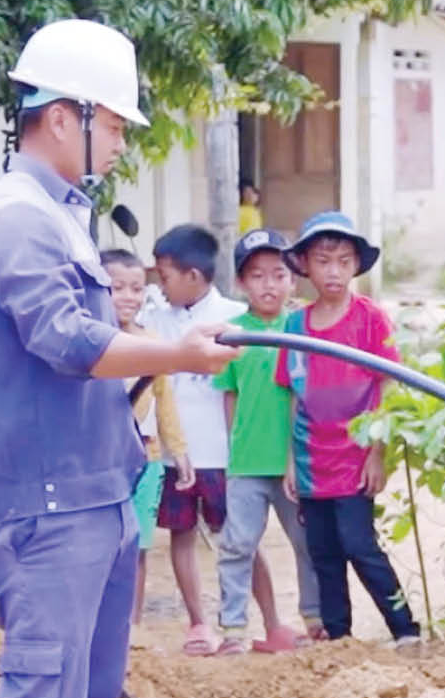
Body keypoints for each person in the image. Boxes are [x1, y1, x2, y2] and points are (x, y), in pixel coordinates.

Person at [0, 17, 237, 698]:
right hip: (45, 508)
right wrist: (176, 355)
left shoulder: (63, 214)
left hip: (101, 493)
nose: (118, 142)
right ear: (63, 115)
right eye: (113, 124)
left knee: (90, 696)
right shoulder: (14, 218)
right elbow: (65, 338)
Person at [276, 211, 421, 644]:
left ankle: (405, 629)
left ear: (356, 264)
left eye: (343, 260)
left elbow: (389, 385)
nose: (333, 271)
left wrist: (379, 451)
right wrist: (289, 460)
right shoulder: (295, 325)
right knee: (323, 552)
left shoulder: (371, 319)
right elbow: (293, 393)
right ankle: (339, 639)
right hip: (310, 457)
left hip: (356, 456)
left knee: (360, 545)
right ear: (304, 265)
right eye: (323, 260)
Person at [140, 224, 251, 656]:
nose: (158, 286)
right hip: (174, 454)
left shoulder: (233, 317)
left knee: (239, 538)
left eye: (164, 276)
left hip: (223, 452)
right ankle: (199, 623)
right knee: (181, 535)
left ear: (192, 276)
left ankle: (247, 621)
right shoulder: (154, 320)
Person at [211, 229, 318, 652]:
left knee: (307, 546)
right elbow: (230, 397)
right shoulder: (233, 334)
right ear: (240, 283)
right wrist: (234, 452)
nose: (268, 285)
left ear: (292, 280)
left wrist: (300, 457)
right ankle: (234, 629)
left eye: (278, 275)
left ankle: (315, 619)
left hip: (296, 463)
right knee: (237, 545)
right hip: (247, 464)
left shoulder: (301, 328)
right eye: (257, 276)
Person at [100, 249, 194, 629]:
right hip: (101, 463)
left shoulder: (151, 342)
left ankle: (131, 627)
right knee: (101, 546)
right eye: (117, 287)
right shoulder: (92, 345)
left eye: (137, 288)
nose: (128, 296)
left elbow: (164, 402)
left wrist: (180, 451)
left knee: (136, 548)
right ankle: (102, 625)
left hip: (147, 459)